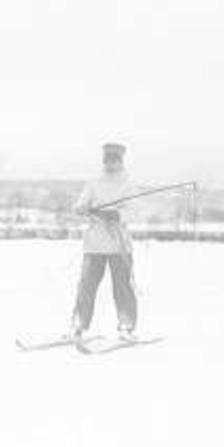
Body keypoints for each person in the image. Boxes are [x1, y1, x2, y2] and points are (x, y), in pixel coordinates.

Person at [68, 142, 138, 342]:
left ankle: (126, 326)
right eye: (107, 159)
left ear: (121, 160)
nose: (110, 163)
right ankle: (79, 324)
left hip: (119, 245)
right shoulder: (93, 183)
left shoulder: (128, 184)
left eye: (114, 159)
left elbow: (135, 211)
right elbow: (80, 205)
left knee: (122, 287)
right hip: (94, 244)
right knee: (86, 286)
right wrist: (81, 209)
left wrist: (118, 215)